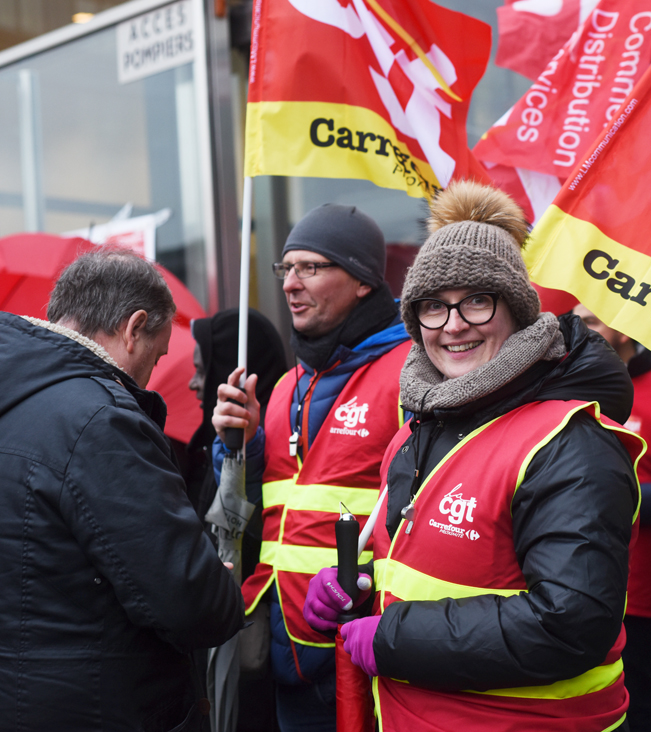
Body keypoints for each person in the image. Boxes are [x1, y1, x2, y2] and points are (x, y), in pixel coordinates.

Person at [304, 180, 643, 731]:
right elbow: (429, 571)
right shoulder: (420, 426)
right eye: (433, 307)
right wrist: (356, 587)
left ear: (516, 308)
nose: (454, 324)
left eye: (476, 301)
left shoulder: (569, 440)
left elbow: (570, 623)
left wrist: (391, 637)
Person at [0, 248, 244, 731]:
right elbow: (192, 602)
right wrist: (214, 580)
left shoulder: (17, 395)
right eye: (156, 357)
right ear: (134, 328)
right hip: (102, 705)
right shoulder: (101, 420)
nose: (153, 374)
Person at [211, 204, 411, 731]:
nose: (291, 284)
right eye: (286, 269)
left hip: (361, 647)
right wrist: (240, 446)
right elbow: (254, 508)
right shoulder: (284, 385)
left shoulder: (411, 372)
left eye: (311, 267)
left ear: (365, 281)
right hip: (283, 645)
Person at [574, 304, 651, 732]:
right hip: (574, 585)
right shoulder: (573, 395)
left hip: (639, 590)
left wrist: (609, 497)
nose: (579, 328)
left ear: (624, 329)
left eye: (590, 320)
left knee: (637, 704)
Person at [185, 308, 288, 732]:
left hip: (254, 652)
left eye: (202, 370)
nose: (194, 383)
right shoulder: (199, 447)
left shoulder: (273, 451)